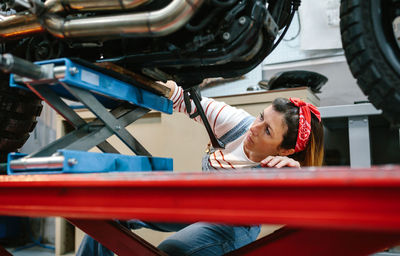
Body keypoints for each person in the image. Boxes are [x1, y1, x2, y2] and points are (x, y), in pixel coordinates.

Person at [77, 80, 324, 256]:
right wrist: (162, 84)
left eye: (267, 130)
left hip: (230, 226)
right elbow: (184, 100)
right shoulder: (239, 124)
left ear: (284, 150)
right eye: (261, 116)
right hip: (200, 202)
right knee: (109, 212)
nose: (254, 127)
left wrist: (296, 175)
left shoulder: (279, 169)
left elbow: (306, 203)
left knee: (171, 251)